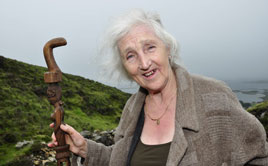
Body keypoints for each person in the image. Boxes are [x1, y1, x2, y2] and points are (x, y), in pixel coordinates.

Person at [48, 9, 268, 166]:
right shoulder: (132, 109)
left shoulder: (214, 98)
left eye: (150, 47)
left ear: (168, 48)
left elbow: (259, 157)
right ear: (125, 66)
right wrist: (85, 149)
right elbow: (121, 159)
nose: (144, 64)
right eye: (131, 56)